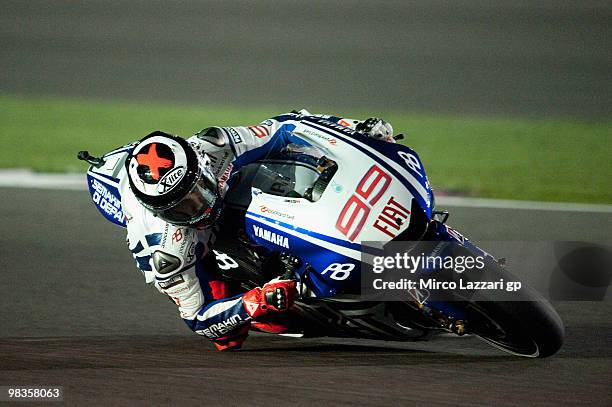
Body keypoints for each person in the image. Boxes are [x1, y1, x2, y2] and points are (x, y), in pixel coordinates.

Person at [121, 109, 395, 350]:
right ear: (159, 211)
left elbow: (288, 126)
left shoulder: (215, 145)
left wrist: (353, 126)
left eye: (199, 193)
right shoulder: (167, 250)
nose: (199, 210)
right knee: (228, 339)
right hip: (185, 247)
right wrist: (255, 301)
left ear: (203, 167)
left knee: (293, 155)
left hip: (233, 186)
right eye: (180, 210)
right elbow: (199, 319)